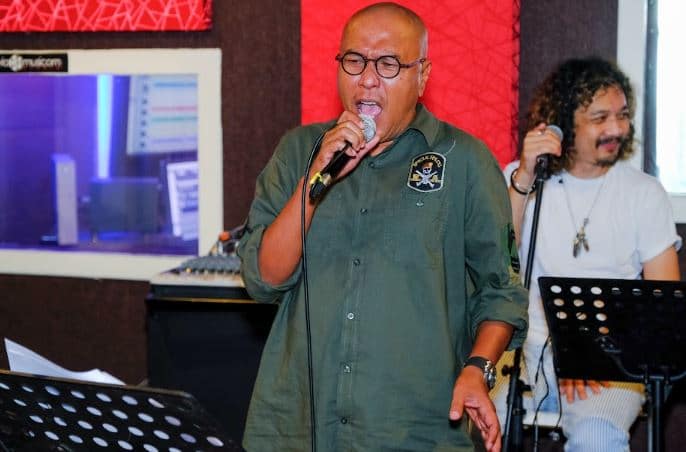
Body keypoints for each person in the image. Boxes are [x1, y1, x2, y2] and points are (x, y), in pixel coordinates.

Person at [237, 3, 528, 451]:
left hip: (415, 429)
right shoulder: (299, 151)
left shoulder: (465, 161)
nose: (367, 79)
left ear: (422, 76)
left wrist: (478, 368)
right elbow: (263, 279)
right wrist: (315, 179)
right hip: (300, 425)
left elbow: (501, 292)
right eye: (354, 61)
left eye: (388, 64)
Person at [494, 56, 681, 451]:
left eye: (623, 115)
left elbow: (664, 310)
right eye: (600, 118)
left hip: (611, 367)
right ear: (564, 123)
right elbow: (494, 257)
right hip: (524, 358)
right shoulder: (520, 179)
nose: (617, 129)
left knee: (597, 436)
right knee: (475, 417)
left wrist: (596, 356)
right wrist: (524, 176)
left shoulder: (644, 193)